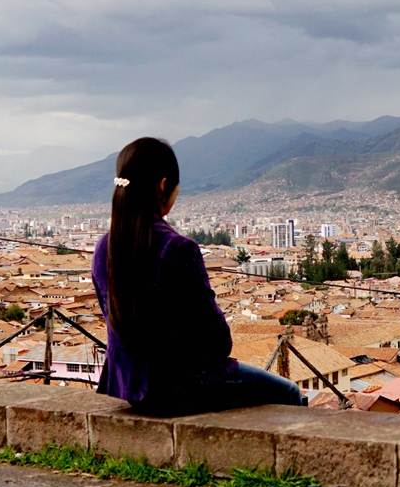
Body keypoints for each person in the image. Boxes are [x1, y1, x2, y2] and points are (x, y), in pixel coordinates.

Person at [93, 137, 304, 416]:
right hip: (181, 386)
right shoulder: (177, 248)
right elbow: (217, 342)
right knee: (290, 393)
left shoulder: (104, 248)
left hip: (129, 387)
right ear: (163, 186)